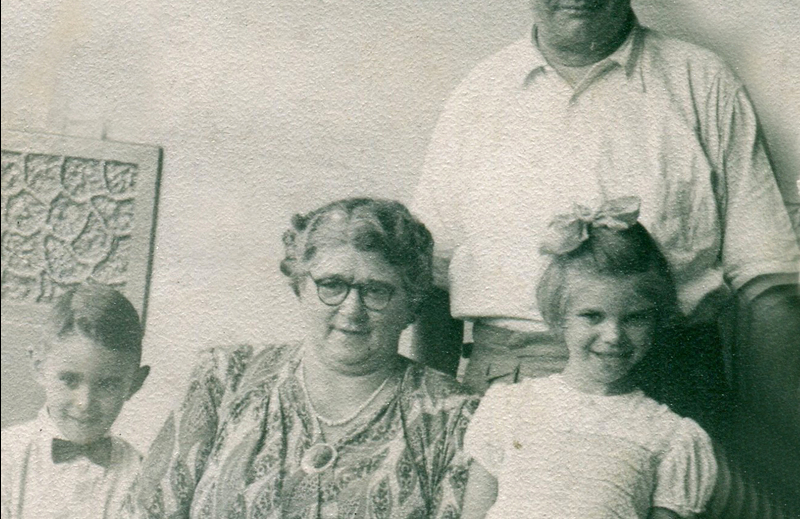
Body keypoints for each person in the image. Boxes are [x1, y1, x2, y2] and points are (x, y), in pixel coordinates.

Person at [411, 0, 799, 435]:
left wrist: (772, 436)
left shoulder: (701, 83)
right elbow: (432, 282)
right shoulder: (478, 96)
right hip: (509, 396)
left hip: (673, 392)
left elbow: (767, 279)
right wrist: (434, 427)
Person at [128, 197, 477, 519]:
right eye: (332, 284)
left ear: (411, 302)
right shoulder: (224, 378)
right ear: (301, 285)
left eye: (376, 290)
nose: (351, 309)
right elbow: (146, 511)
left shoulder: (452, 418)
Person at [460, 199, 717, 519]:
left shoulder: (670, 437)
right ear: (559, 317)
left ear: (657, 319)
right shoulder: (508, 407)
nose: (614, 335)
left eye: (634, 318)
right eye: (592, 316)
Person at [1, 282, 150, 519]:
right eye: (69, 380)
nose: (85, 403)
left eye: (108, 384)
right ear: (39, 366)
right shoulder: (7, 458)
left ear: (134, 384)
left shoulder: (140, 474)